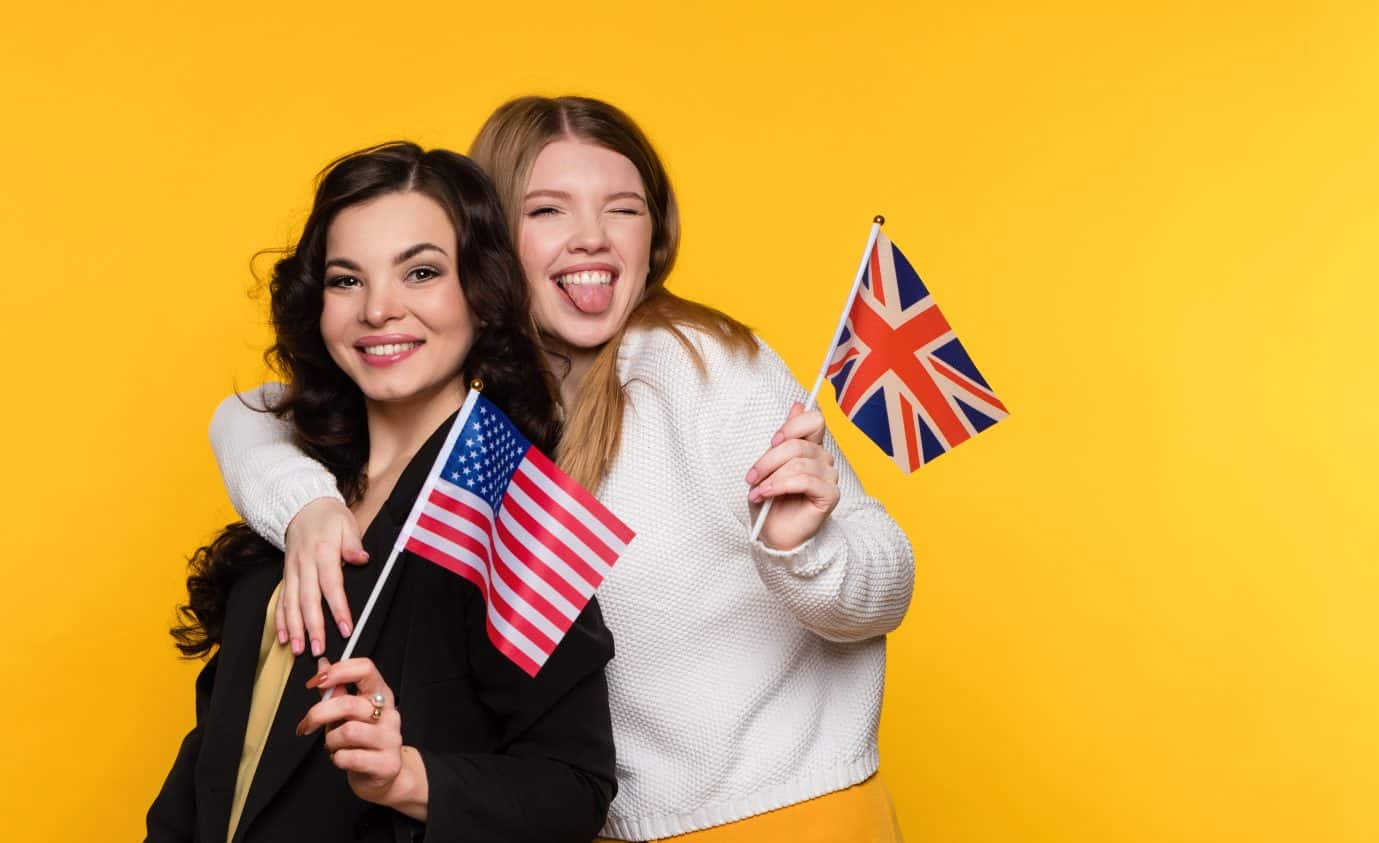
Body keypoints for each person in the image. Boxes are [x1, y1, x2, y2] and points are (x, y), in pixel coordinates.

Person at [209, 97, 913, 840]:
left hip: (775, 815)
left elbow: (885, 579)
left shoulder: (702, 366)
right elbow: (252, 415)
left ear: (656, 233)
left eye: (623, 209)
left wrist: (807, 549)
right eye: (548, 210)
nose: (591, 239)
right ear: (486, 241)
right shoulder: (488, 403)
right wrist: (304, 504)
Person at [148, 142, 615, 842]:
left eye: (420, 272)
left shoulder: (502, 510)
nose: (378, 309)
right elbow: (221, 740)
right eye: (346, 280)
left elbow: (575, 786)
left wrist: (409, 777)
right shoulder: (295, 486)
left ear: (481, 295)